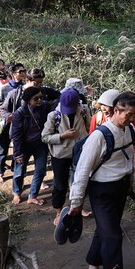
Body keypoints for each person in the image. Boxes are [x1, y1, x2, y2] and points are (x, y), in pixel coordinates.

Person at [67, 92, 135, 269]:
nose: (131, 119)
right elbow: (82, 171)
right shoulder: (99, 136)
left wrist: (130, 180)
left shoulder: (129, 129)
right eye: (128, 114)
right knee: (113, 234)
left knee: (104, 230)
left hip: (120, 187)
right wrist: (76, 202)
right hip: (101, 191)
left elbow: (127, 155)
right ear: (116, 110)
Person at [42, 85, 88, 225]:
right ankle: (58, 212)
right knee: (60, 185)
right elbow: (45, 137)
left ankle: (78, 207)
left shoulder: (84, 111)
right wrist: (62, 136)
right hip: (60, 155)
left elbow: (90, 128)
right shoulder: (54, 116)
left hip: (79, 154)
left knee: (79, 183)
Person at [11, 86, 56, 206]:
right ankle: (17, 192)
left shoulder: (45, 107)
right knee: (19, 171)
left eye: (41, 97)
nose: (40, 100)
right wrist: (18, 153)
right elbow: (16, 136)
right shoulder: (19, 114)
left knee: (40, 170)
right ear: (28, 100)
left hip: (40, 144)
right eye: (36, 99)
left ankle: (32, 196)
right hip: (24, 145)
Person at [89, 88, 135, 175]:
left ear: (115, 108)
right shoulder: (97, 118)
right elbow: (90, 140)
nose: (103, 108)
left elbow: (134, 138)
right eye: (102, 105)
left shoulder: (127, 120)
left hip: (120, 163)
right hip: (102, 165)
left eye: (106, 106)